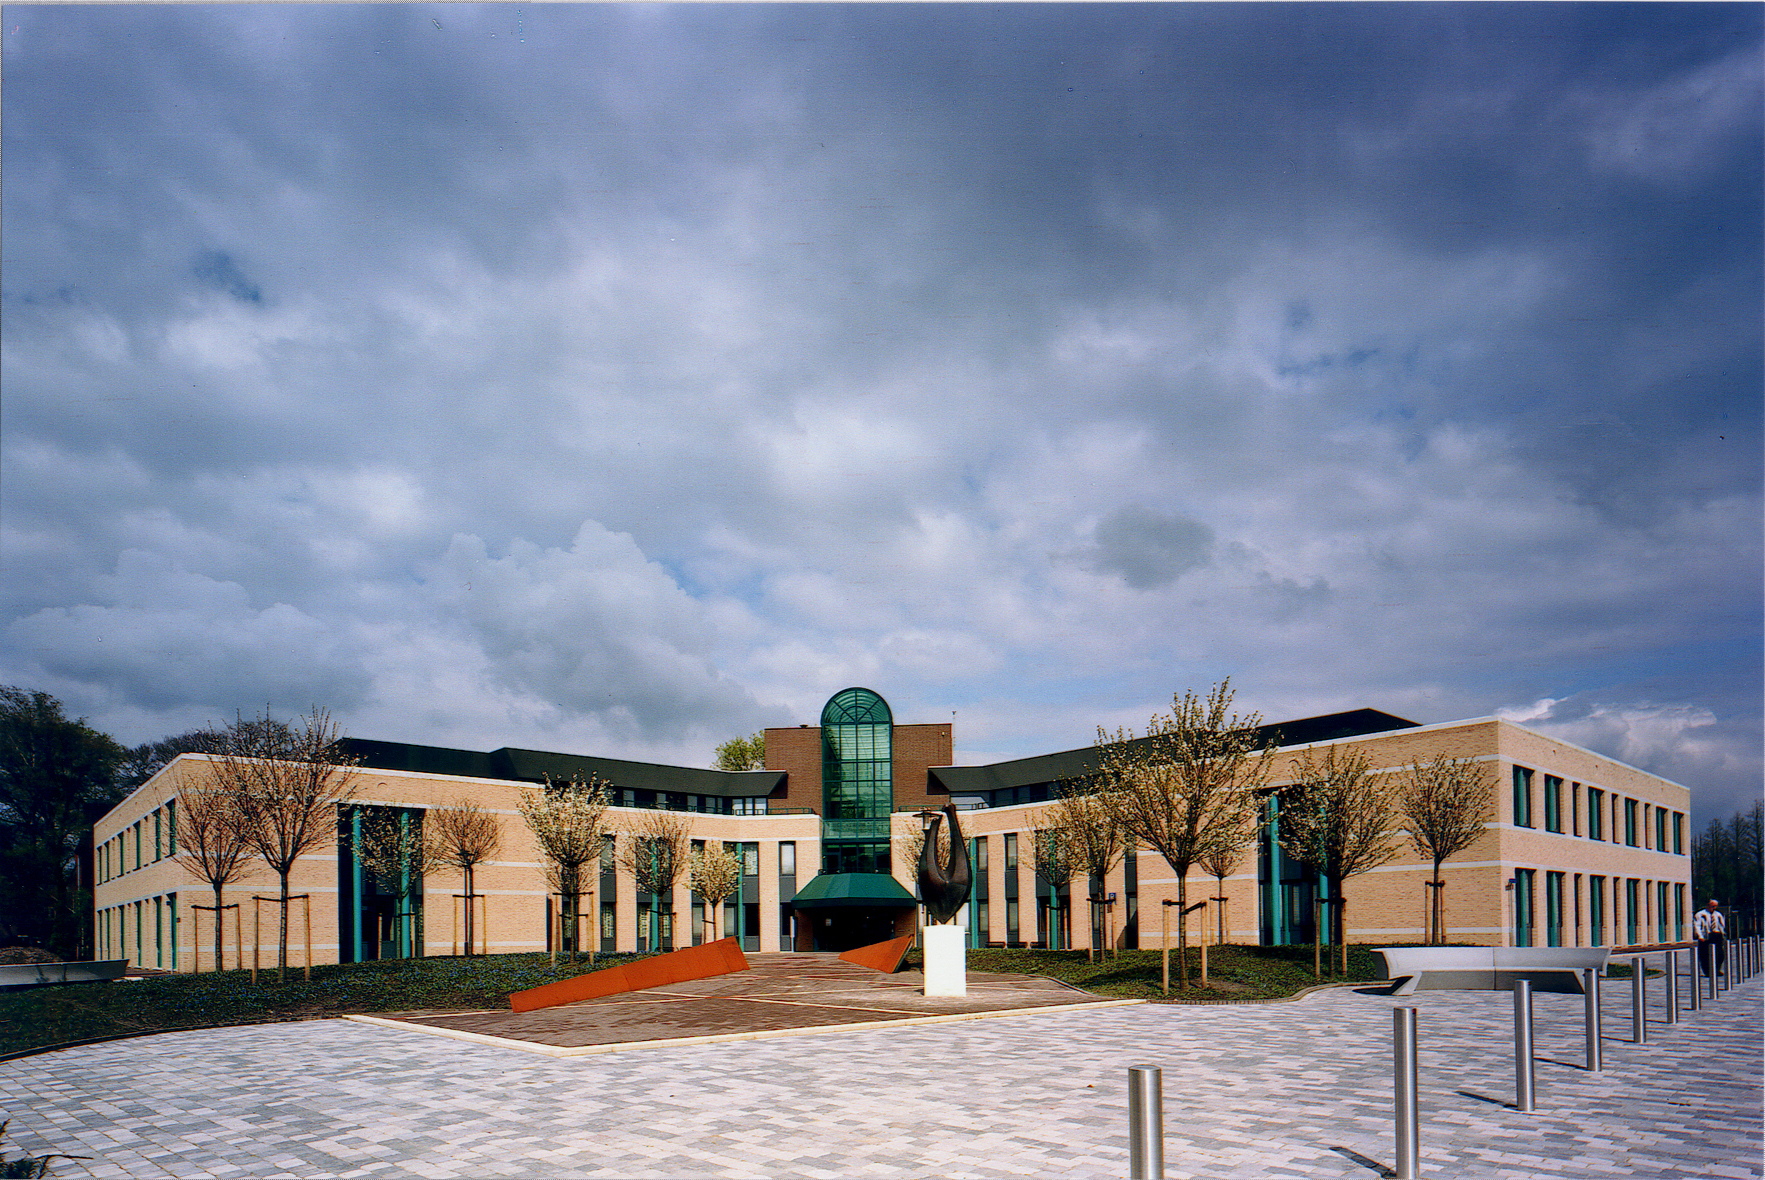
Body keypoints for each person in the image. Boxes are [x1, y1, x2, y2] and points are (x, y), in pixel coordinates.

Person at [1693, 898, 1727, 981]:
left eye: (1715, 906)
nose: (1714, 908)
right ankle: (1707, 971)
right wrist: (1700, 936)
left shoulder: (1718, 914)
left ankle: (1717, 969)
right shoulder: (1700, 914)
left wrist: (1723, 933)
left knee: (1720, 954)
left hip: (1716, 934)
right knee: (1705, 955)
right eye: (1712, 906)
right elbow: (1697, 926)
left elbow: (1721, 925)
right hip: (1706, 935)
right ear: (1707, 905)